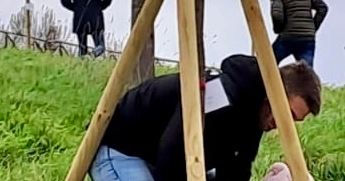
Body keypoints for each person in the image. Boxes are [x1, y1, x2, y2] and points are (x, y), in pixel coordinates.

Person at [91, 54, 322, 181]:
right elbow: (171, 155)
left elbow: (236, 172)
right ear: (275, 94)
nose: (283, 126)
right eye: (287, 115)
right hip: (122, 152)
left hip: (167, 164)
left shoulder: (255, 116)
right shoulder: (220, 96)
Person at [269, 0, 329, 68]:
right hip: (307, 38)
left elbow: (277, 15)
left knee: (268, 64)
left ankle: (262, 84)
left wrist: (278, 29)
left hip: (288, 37)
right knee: (307, 74)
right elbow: (322, 8)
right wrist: (313, 28)